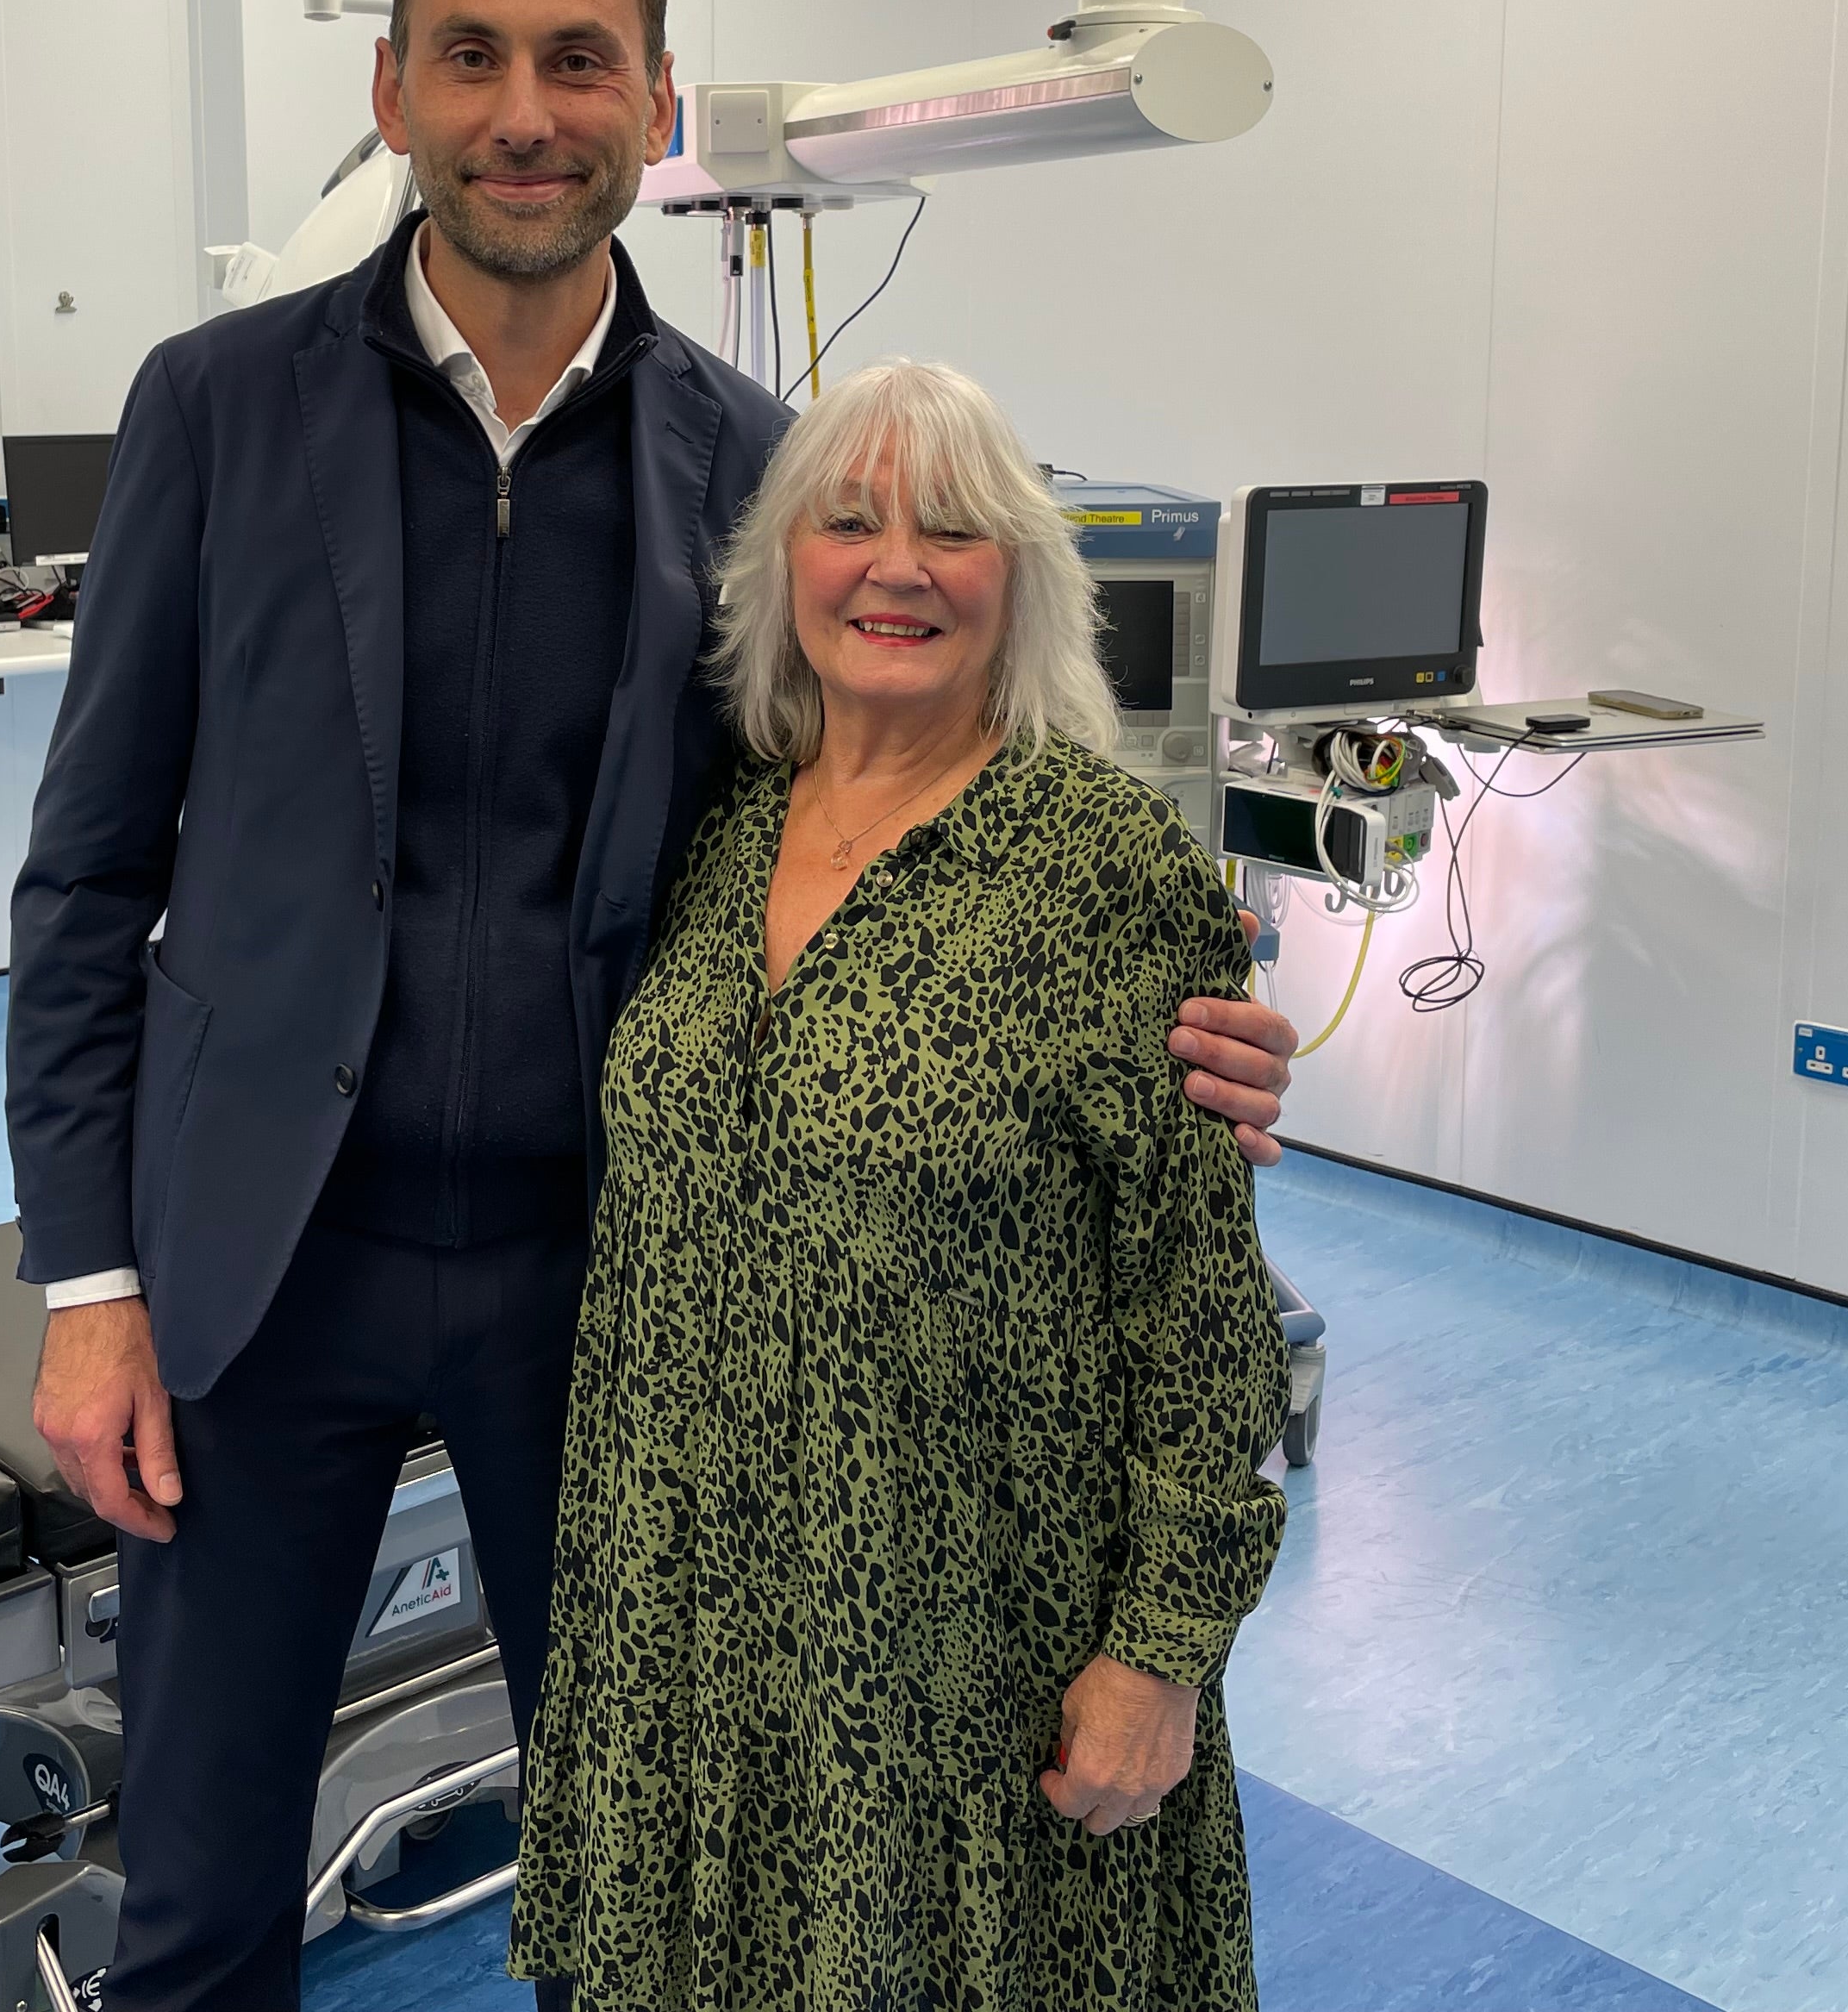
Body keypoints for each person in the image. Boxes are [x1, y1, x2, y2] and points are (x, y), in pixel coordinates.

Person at [3, 0, 1302, 2012]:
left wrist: (1174, 1033)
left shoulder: (749, 466)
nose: (529, 108)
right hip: (262, 1273)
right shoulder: (218, 408)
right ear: (397, 91)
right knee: (206, 1892)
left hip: (603, 1294)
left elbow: (866, 855)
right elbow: (87, 870)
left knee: (654, 1859)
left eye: (580, 60)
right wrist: (90, 1281)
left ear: (657, 98)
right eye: (476, 56)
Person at [509, 357, 1289, 2012]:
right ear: (779, 569)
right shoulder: (712, 831)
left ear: (1023, 581)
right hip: (694, 1619)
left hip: (967, 1640)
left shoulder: (1097, 863)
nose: (898, 566)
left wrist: (1159, 1657)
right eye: (848, 520)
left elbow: (1199, 1315)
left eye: (957, 528)